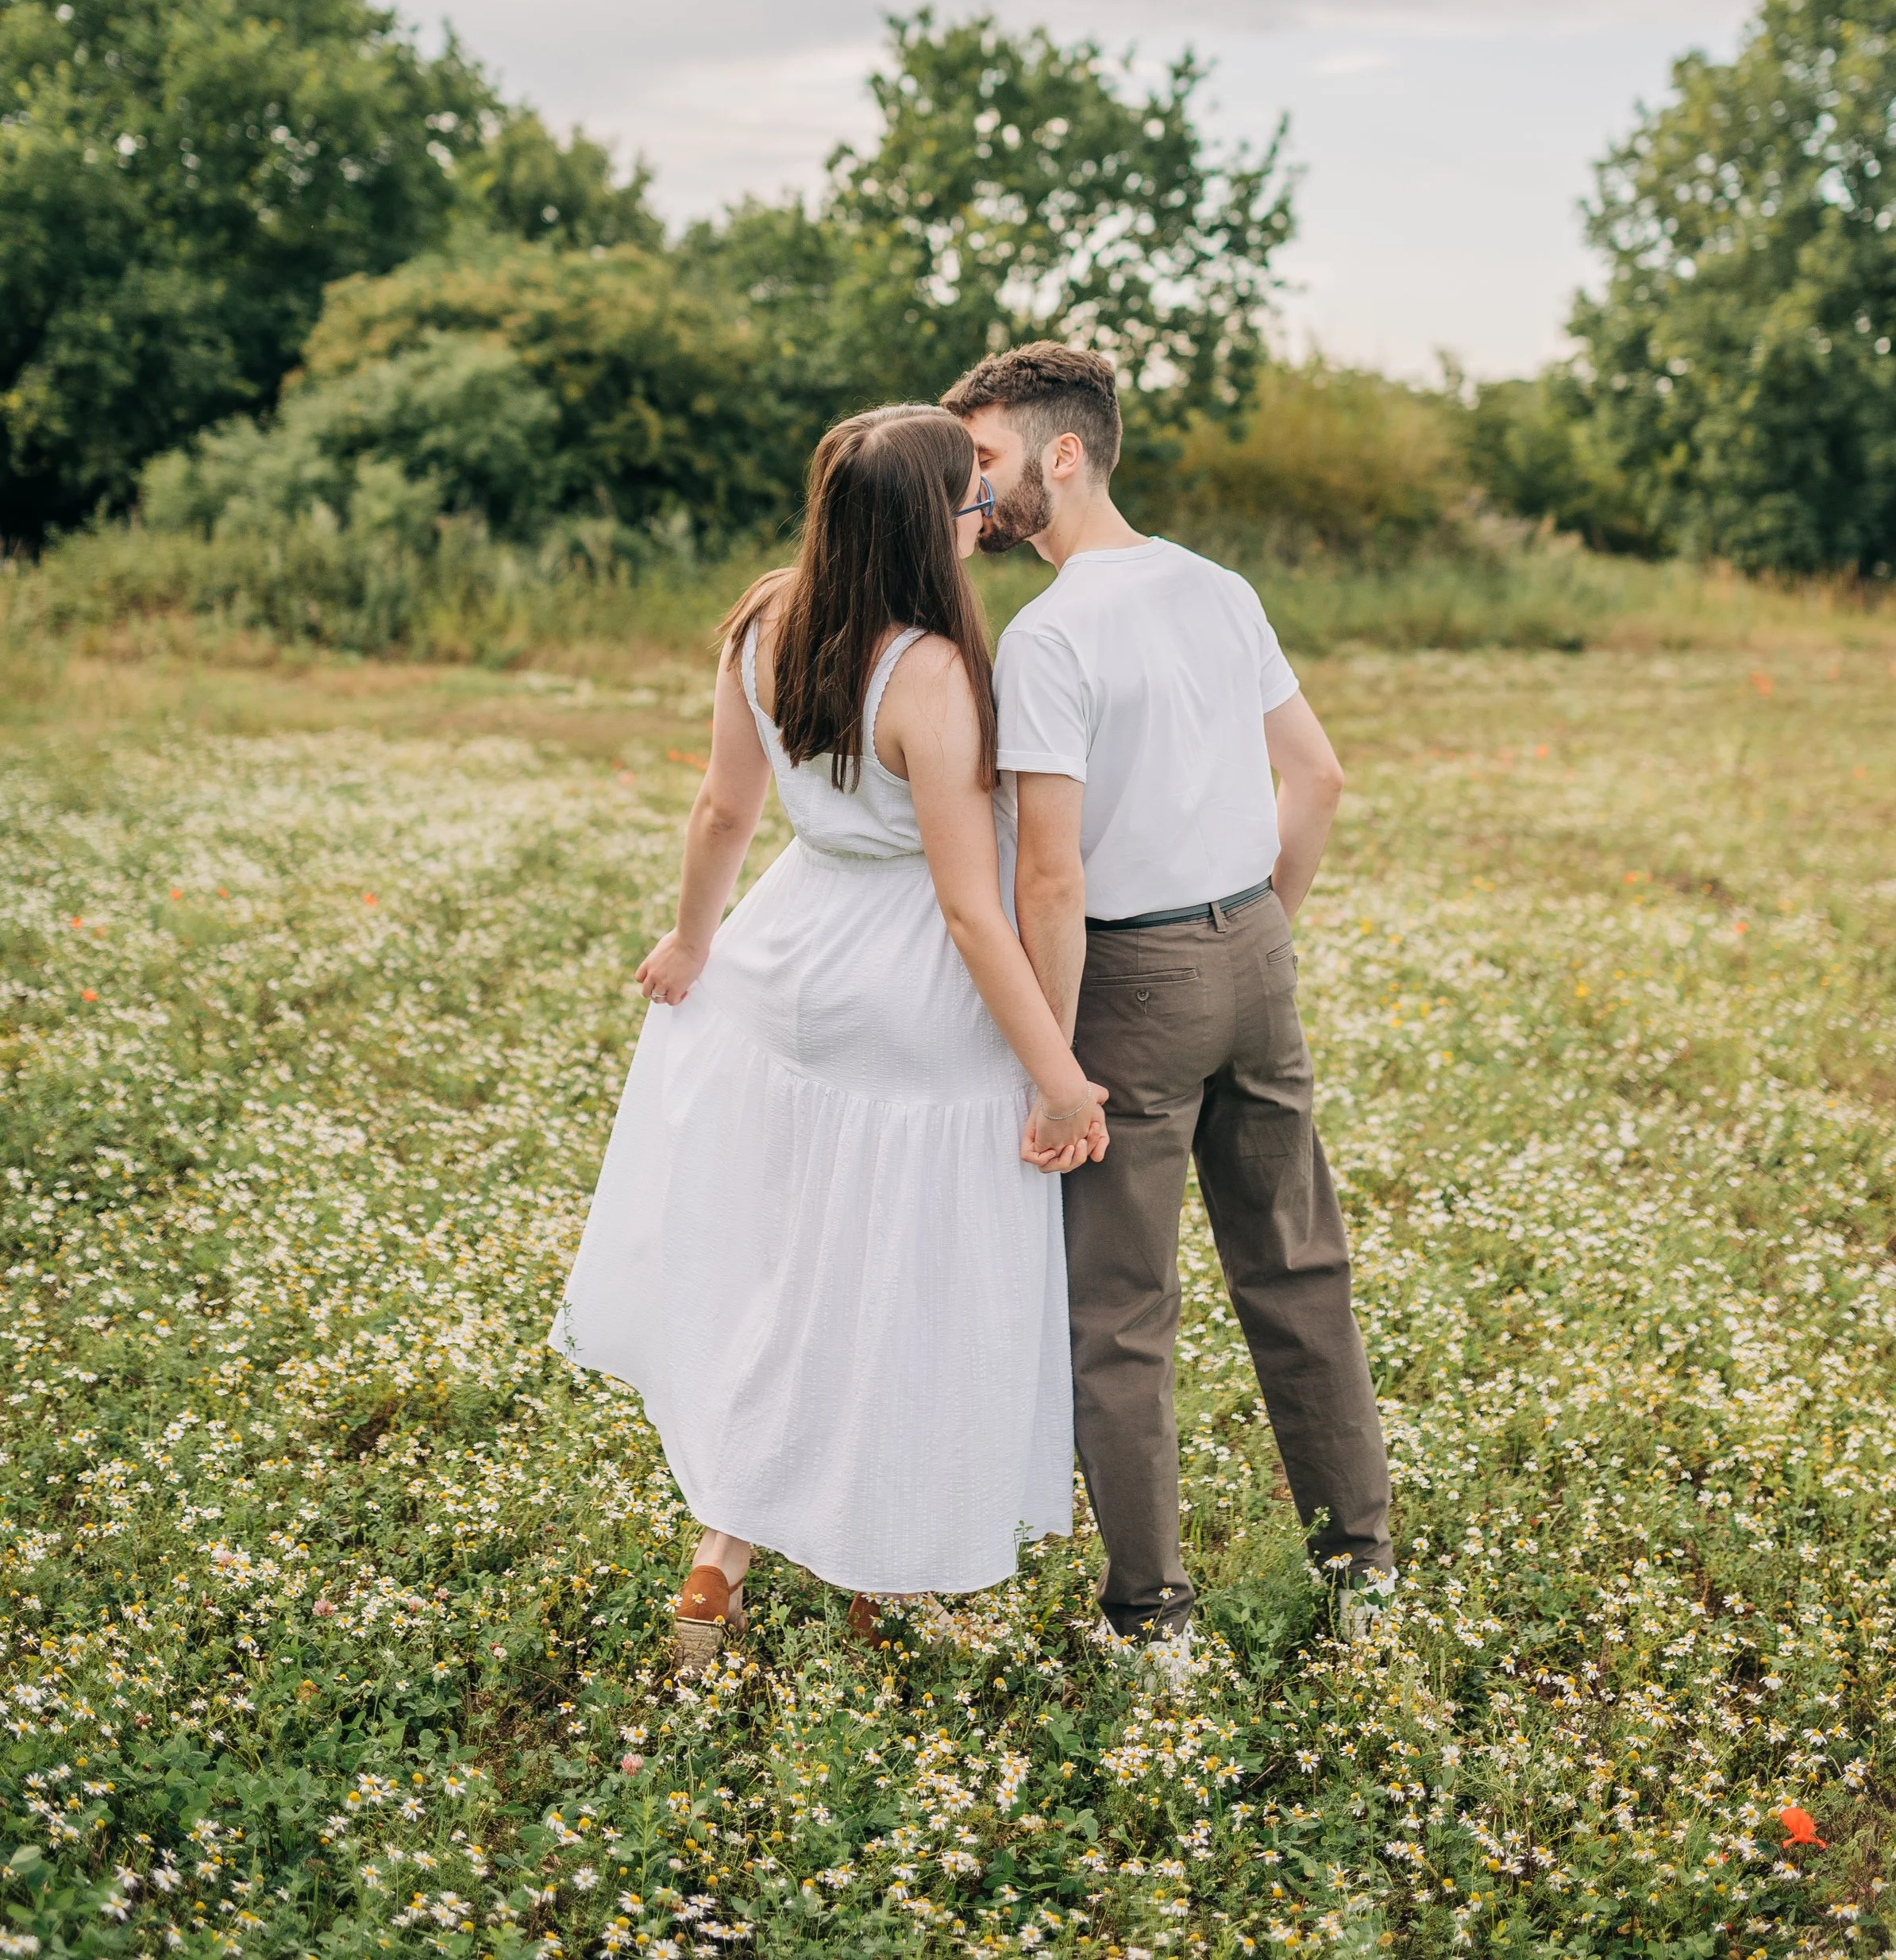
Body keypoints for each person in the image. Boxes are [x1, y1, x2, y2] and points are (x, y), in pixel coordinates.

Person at [553, 405, 1111, 1669]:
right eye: (969, 493)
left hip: (784, 961)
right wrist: (1059, 1078)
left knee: (790, 1267)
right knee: (908, 1281)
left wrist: (694, 943)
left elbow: (719, 810)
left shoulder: (764, 616)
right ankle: (882, 1565)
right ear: (926, 521)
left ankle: (722, 1559)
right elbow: (976, 913)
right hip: (911, 1001)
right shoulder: (936, 673)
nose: (988, 510)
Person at [943, 341, 1393, 1669]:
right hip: (1254, 951)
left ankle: (1152, 1624)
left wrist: (1056, 1069)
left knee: (1121, 1312)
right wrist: (1257, 935)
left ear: (1060, 455)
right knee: (1300, 1270)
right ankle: (1361, 1573)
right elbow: (1316, 779)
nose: (970, 490)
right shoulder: (1218, 586)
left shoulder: (1052, 635)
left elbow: (1051, 871)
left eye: (984, 461)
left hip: (1130, 984)